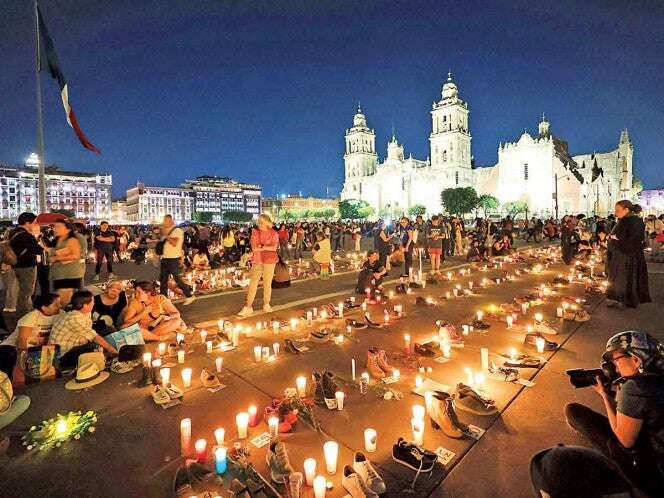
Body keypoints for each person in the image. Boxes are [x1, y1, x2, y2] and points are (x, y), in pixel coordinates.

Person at [565, 331, 664, 496]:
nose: (615, 367)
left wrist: (605, 396)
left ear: (635, 359)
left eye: (616, 360)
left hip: (652, 477)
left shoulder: (635, 388)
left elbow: (624, 441)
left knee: (573, 411)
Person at [49, 290, 118, 369]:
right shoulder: (74, 318)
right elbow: (94, 337)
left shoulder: (84, 312)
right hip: (63, 356)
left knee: (108, 329)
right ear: (85, 305)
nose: (94, 303)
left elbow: (89, 330)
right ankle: (110, 358)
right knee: (95, 346)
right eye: (92, 302)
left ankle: (117, 348)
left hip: (77, 344)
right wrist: (112, 351)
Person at [0, 293, 63, 377]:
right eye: (56, 304)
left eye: (60, 303)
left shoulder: (61, 314)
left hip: (37, 350)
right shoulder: (31, 317)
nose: (60, 306)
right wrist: (23, 360)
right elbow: (22, 340)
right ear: (44, 308)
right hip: (12, 348)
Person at [605, 200, 651, 308]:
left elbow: (623, 236)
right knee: (630, 276)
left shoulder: (627, 221)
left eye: (618, 210)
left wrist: (612, 237)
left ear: (626, 210)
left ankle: (621, 298)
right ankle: (629, 299)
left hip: (624, 253)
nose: (616, 213)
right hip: (633, 253)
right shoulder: (637, 220)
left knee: (621, 276)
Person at [238, 214, 279, 317]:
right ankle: (248, 306)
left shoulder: (273, 233)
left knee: (267, 283)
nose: (259, 224)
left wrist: (262, 246)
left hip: (270, 260)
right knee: (253, 283)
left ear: (267, 222)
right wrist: (266, 247)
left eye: (262, 222)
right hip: (257, 259)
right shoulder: (255, 233)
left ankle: (266, 304)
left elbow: (274, 248)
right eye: (259, 222)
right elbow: (255, 248)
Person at [9, 212, 44, 318]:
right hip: (27, 266)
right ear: (27, 222)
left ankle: (22, 312)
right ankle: (26, 315)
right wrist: (37, 239)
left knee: (20, 291)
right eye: (33, 222)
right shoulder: (26, 235)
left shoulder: (12, 232)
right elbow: (37, 250)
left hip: (15, 265)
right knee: (26, 292)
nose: (35, 224)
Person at [159, 215, 195, 305]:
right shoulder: (167, 232)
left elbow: (174, 243)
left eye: (165, 221)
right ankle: (164, 300)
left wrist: (166, 235)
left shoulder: (177, 231)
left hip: (173, 259)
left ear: (170, 221)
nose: (164, 222)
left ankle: (189, 295)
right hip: (165, 258)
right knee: (163, 280)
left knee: (177, 279)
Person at [48, 221, 84, 307]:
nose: (55, 229)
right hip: (58, 273)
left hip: (69, 273)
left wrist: (56, 258)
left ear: (68, 230)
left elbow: (76, 255)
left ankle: (63, 315)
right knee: (57, 297)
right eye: (54, 226)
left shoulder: (73, 239)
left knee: (63, 299)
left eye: (59, 227)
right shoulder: (57, 239)